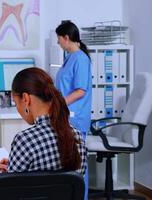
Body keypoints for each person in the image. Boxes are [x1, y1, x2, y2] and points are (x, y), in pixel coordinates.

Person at [0, 67, 86, 174]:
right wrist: (13, 164)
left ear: (26, 99)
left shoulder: (24, 140)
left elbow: (10, 188)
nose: (18, 109)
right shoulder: (77, 136)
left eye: (16, 103)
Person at [54, 21, 92, 200]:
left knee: (78, 165)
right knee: (67, 163)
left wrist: (59, 104)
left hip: (76, 119)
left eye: (59, 39)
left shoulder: (81, 59)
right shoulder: (69, 57)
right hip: (66, 117)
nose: (58, 42)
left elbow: (80, 91)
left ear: (66, 38)